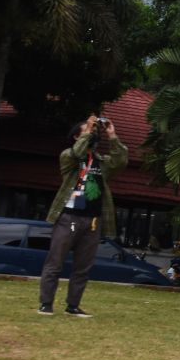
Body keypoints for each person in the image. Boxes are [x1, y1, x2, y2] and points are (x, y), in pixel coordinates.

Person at [37, 114, 128, 317]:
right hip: (69, 218)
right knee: (55, 262)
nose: (91, 134)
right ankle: (46, 303)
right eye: (86, 131)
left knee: (83, 266)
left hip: (92, 220)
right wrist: (87, 129)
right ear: (76, 137)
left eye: (93, 132)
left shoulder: (102, 162)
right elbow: (77, 152)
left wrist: (112, 136)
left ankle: (73, 305)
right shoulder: (68, 157)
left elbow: (121, 161)